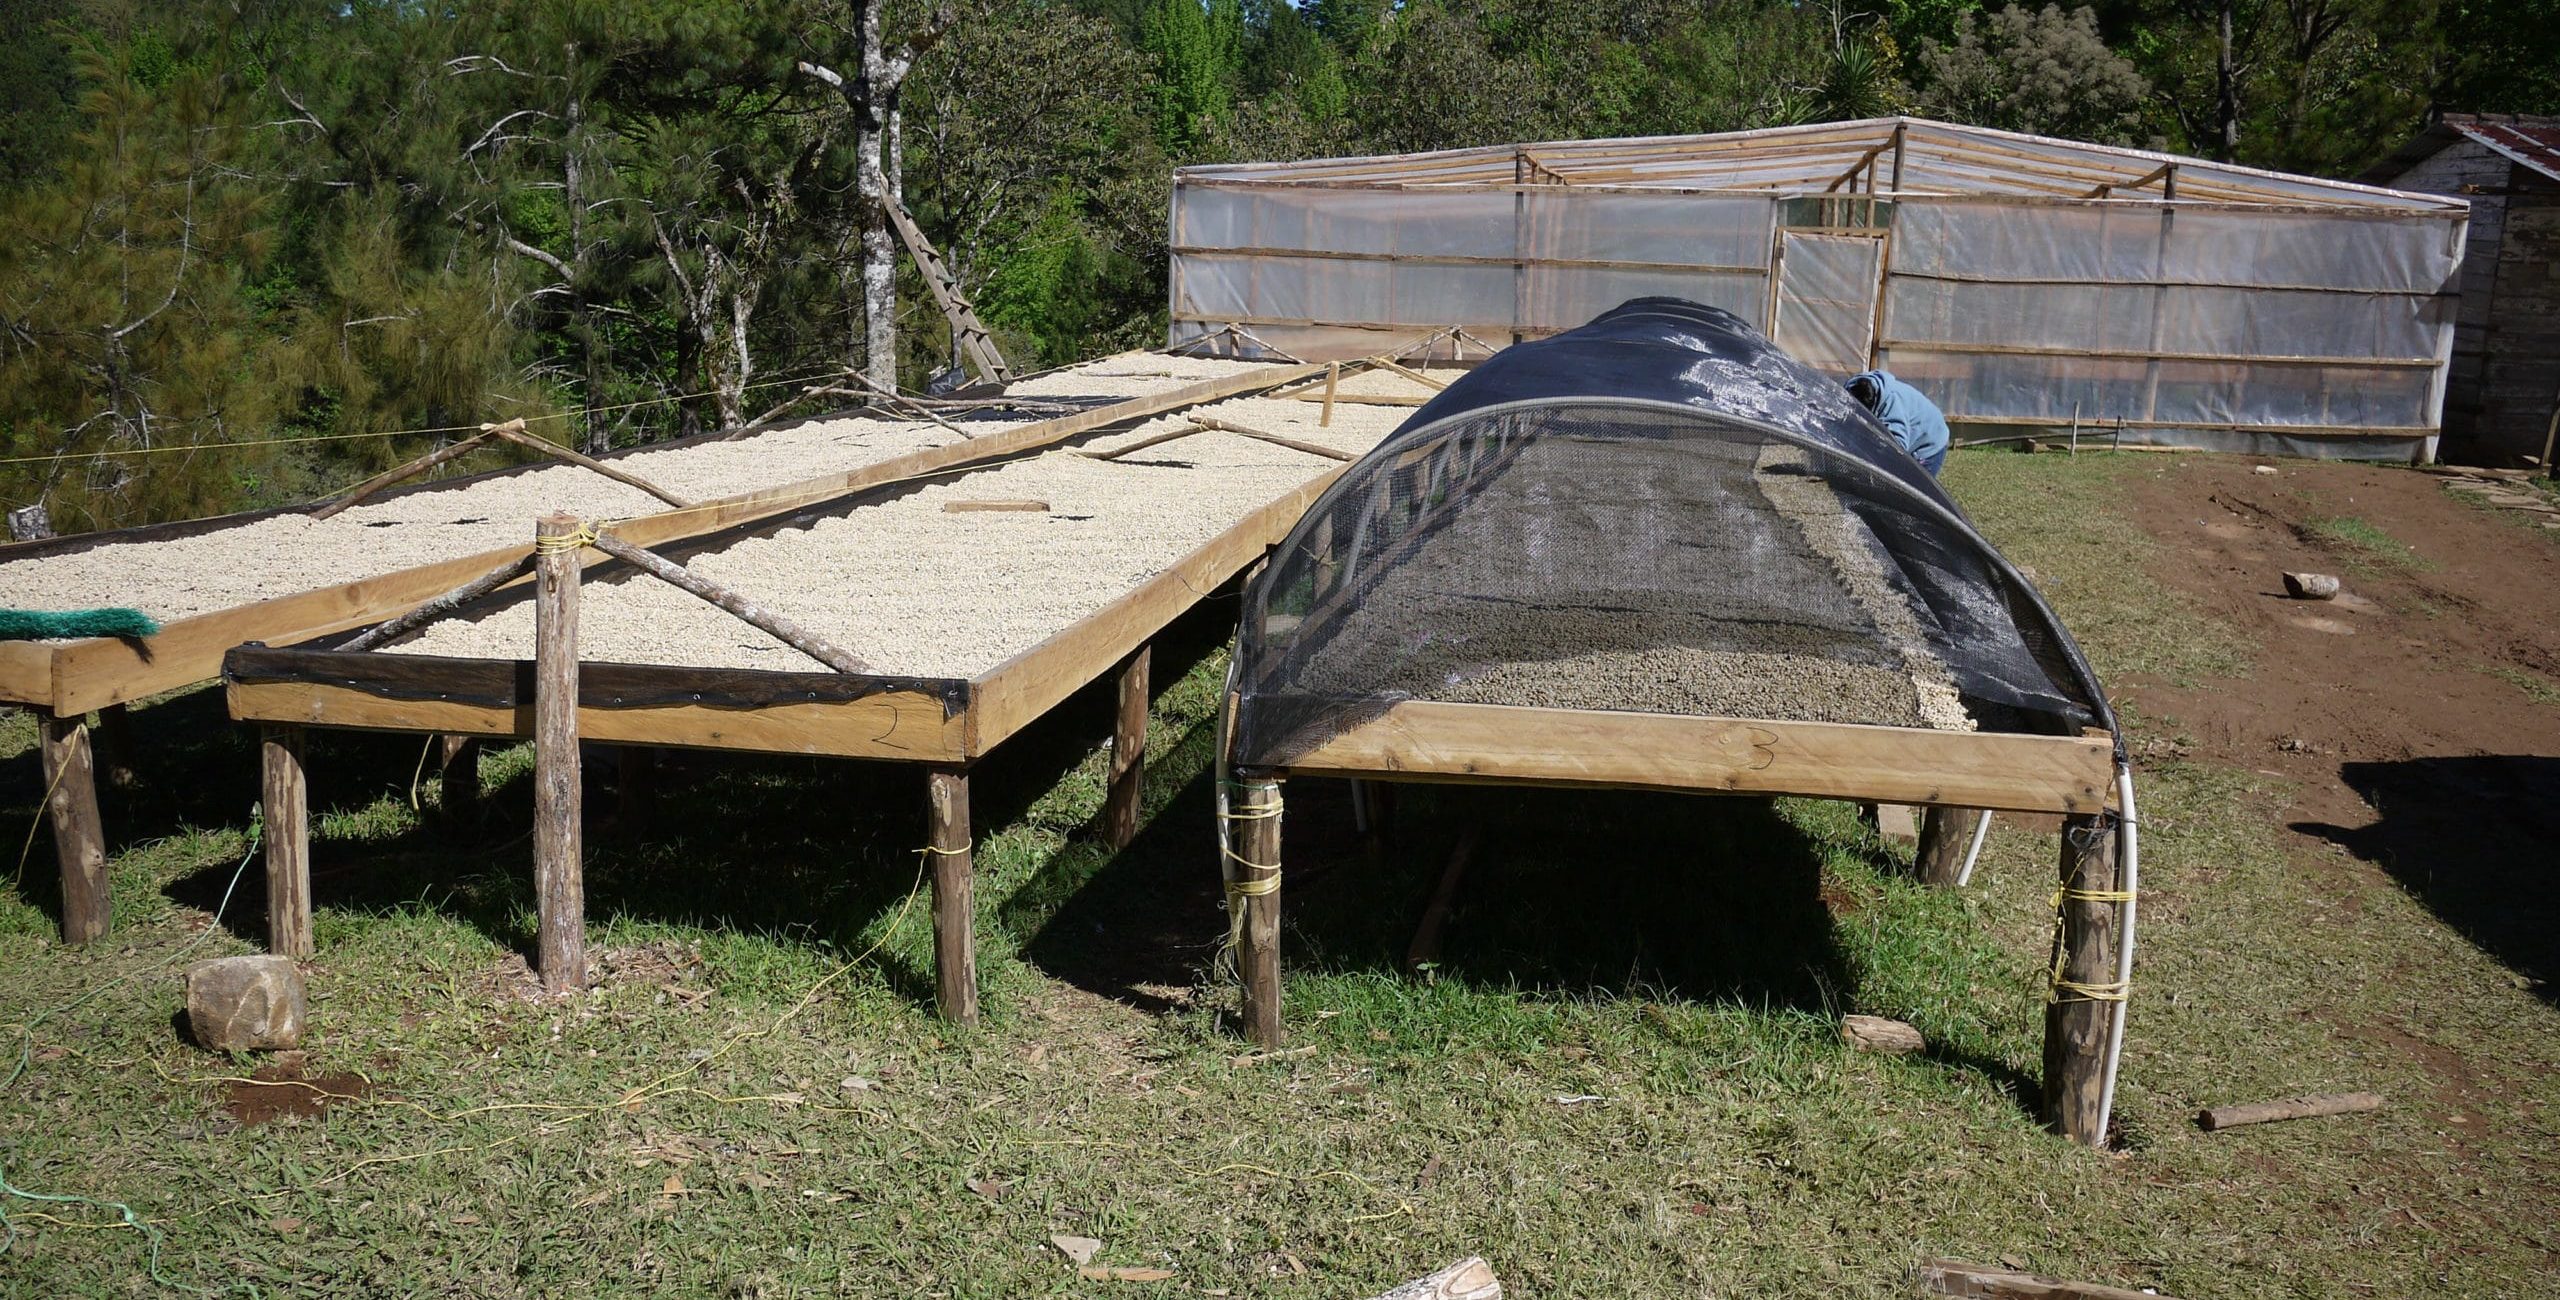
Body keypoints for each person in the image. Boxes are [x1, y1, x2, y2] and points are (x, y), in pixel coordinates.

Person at [1844, 370, 1950, 477]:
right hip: (1915, 426)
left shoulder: (1892, 405)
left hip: (1931, 440)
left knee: (1912, 487)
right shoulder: (1851, 389)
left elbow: (1897, 448)